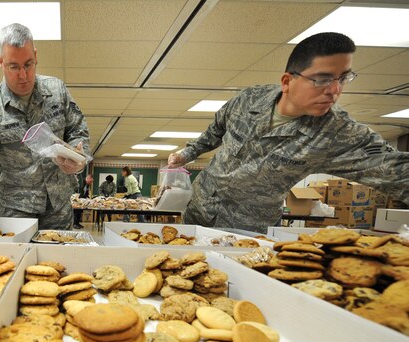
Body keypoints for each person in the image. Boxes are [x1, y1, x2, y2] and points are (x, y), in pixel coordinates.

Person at [167, 32, 408, 233]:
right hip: (199, 213)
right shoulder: (248, 99)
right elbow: (215, 130)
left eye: (343, 78)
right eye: (322, 79)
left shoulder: (338, 133)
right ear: (287, 81)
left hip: (248, 230)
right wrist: (188, 153)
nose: (335, 90)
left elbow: (397, 171)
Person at [0, 23, 89, 233]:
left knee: (58, 262)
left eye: (28, 64)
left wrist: (78, 159)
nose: (23, 75)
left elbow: (78, 130)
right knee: (14, 261)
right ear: (0, 62)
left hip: (58, 205)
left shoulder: (57, 91)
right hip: (16, 209)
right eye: (14, 67)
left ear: (35, 56)